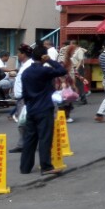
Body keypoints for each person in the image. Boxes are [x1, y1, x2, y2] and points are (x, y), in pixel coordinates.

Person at [19, 45, 66, 175]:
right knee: (45, 138)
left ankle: (25, 167)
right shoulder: (44, 71)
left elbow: (24, 92)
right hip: (44, 107)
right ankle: (46, 166)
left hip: (31, 107)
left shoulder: (26, 72)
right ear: (43, 57)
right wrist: (50, 60)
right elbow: (62, 70)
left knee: (30, 138)